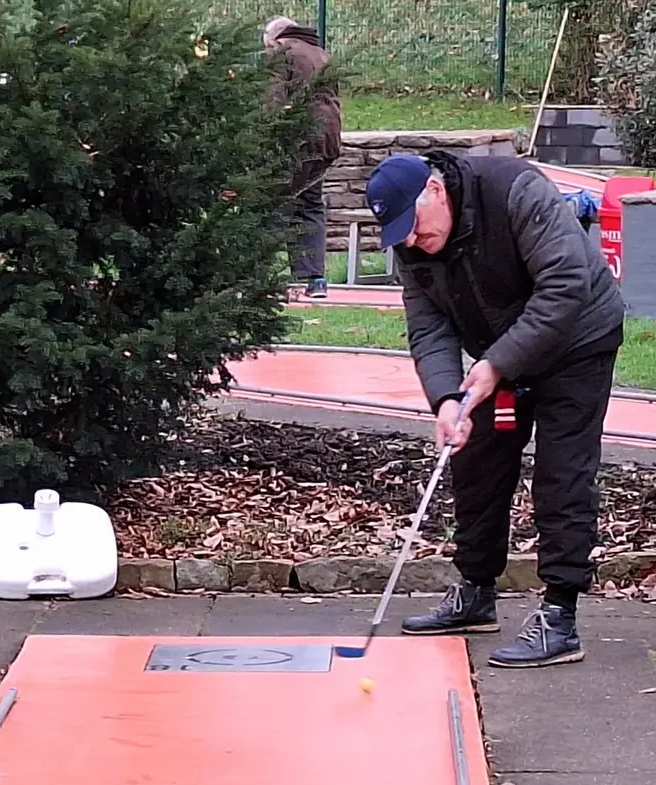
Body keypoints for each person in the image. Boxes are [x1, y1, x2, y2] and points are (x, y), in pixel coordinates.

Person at [363, 151, 624, 668]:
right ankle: (476, 591)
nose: (411, 243)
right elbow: (429, 327)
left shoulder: (516, 191)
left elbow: (565, 284)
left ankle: (560, 615)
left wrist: (497, 363)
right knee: (475, 460)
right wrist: (447, 398)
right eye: (399, 236)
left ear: (435, 191)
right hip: (499, 352)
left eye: (412, 227)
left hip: (578, 339)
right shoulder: (411, 244)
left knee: (562, 472)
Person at [263, 16, 341, 299]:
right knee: (310, 205)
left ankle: (267, 281)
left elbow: (271, 101)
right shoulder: (320, 53)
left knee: (273, 203)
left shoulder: (281, 52)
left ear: (274, 38)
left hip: (297, 139)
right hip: (327, 140)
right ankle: (314, 279)